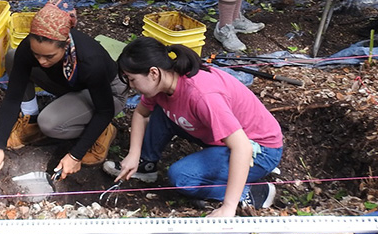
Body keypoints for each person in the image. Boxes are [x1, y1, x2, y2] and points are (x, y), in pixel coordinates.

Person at [103, 37, 283, 214]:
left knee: (182, 178)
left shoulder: (202, 96)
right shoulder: (163, 84)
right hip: (226, 137)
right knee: (161, 109)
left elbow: (242, 147)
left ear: (153, 73)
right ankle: (146, 164)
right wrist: (134, 154)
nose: (131, 86)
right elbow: (141, 113)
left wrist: (228, 207)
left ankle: (253, 192)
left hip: (259, 148)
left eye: (132, 79)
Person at [0, 0, 127, 181]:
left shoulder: (91, 61)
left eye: (49, 56)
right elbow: (13, 96)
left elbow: (104, 110)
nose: (41, 61)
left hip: (107, 94)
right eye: (37, 54)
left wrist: (75, 155)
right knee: (13, 57)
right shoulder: (31, 49)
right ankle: (31, 119)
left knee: (50, 123)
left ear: (66, 44)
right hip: (72, 82)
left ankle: (103, 133)